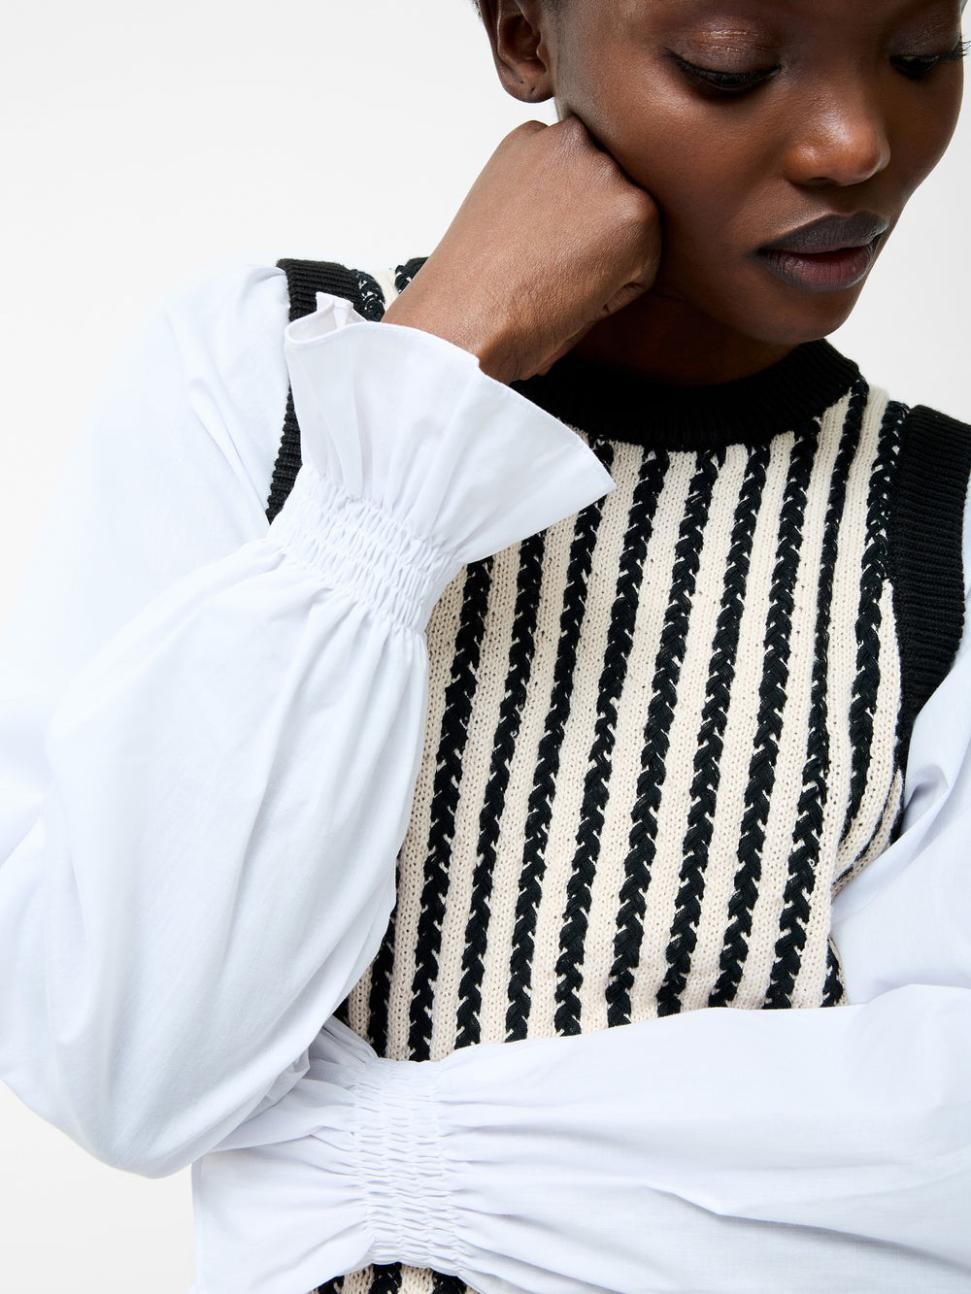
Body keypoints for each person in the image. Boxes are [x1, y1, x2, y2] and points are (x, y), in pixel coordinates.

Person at [1, 1, 970, 1292]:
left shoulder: (939, 526)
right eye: (728, 67)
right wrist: (429, 385)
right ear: (523, 35)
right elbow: (128, 1065)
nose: (857, 144)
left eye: (923, 55)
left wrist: (366, 1157)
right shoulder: (260, 379)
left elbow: (942, 1165)